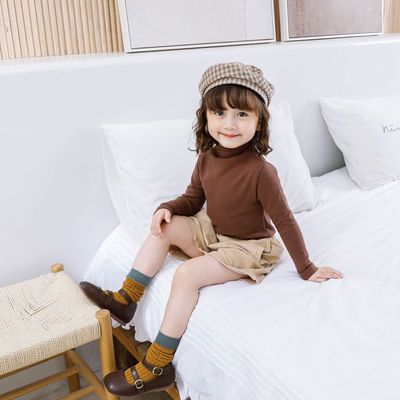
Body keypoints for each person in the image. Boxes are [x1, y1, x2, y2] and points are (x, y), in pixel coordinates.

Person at [80, 62, 344, 396]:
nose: (229, 124)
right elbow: (193, 199)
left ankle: (158, 365)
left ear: (259, 121)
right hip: (214, 232)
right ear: (205, 117)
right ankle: (126, 300)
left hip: (247, 247)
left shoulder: (262, 172)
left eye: (242, 114)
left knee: (186, 275)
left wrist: (306, 268)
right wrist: (167, 208)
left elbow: (285, 221)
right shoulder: (206, 157)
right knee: (166, 227)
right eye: (219, 113)